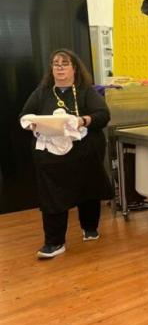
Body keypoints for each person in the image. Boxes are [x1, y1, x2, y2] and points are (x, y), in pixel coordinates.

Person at [20, 49, 112, 259]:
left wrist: (82, 120)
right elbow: (24, 115)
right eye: (55, 64)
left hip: (83, 153)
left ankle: (89, 227)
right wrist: (32, 123)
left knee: (88, 189)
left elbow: (103, 115)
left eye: (64, 63)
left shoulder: (86, 91)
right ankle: (54, 242)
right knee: (52, 197)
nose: (59, 67)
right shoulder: (42, 92)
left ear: (75, 68)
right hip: (51, 156)